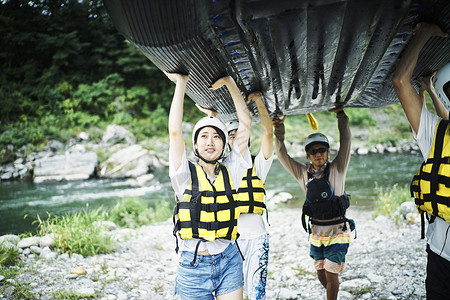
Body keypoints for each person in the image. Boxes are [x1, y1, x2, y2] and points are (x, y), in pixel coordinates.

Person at [167, 72, 252, 300]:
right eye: (203, 136)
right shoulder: (183, 175)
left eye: (217, 137)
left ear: (224, 144)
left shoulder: (232, 171)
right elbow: (174, 131)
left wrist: (230, 83)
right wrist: (181, 84)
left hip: (229, 258)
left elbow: (246, 123)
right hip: (193, 265)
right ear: (195, 144)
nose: (210, 141)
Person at [392, 22, 449, 299]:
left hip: (440, 252)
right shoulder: (438, 135)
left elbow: (400, 80)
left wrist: (424, 34)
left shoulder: (437, 137)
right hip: (440, 253)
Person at [197, 91, 274, 300]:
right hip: (229, 242)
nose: (234, 138)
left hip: (256, 238)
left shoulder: (259, 166)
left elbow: (268, 134)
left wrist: (258, 101)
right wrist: (211, 116)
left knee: (257, 294)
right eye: (230, 135)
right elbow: (204, 149)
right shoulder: (218, 170)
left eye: (237, 134)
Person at [273, 107, 352, 300]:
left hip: (337, 233)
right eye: (313, 151)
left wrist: (341, 115)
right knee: (321, 274)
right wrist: (279, 130)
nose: (318, 154)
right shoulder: (302, 174)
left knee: (332, 276)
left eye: (322, 150)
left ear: (327, 152)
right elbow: (282, 155)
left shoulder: (338, 168)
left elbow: (346, 142)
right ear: (308, 155)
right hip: (316, 234)